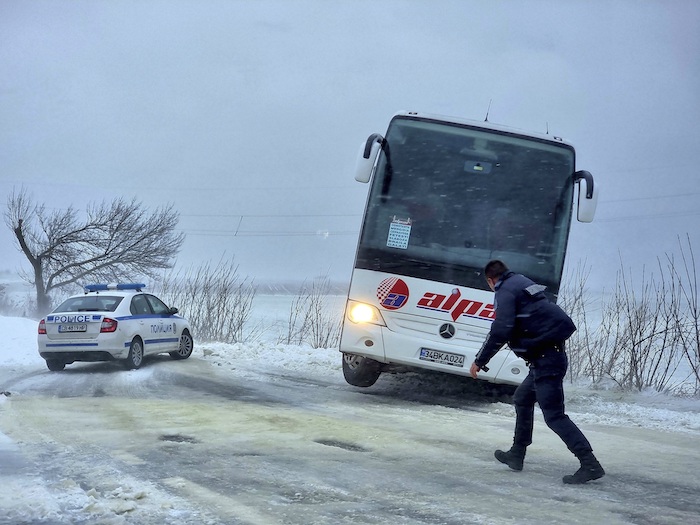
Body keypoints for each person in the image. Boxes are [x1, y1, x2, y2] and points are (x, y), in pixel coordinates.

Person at [469, 259, 605, 484]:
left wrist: (480, 360)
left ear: (490, 280)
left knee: (554, 416)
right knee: (522, 399)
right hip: (545, 357)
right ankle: (517, 454)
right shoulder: (520, 282)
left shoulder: (505, 290)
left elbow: (501, 329)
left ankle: (589, 463)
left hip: (547, 360)